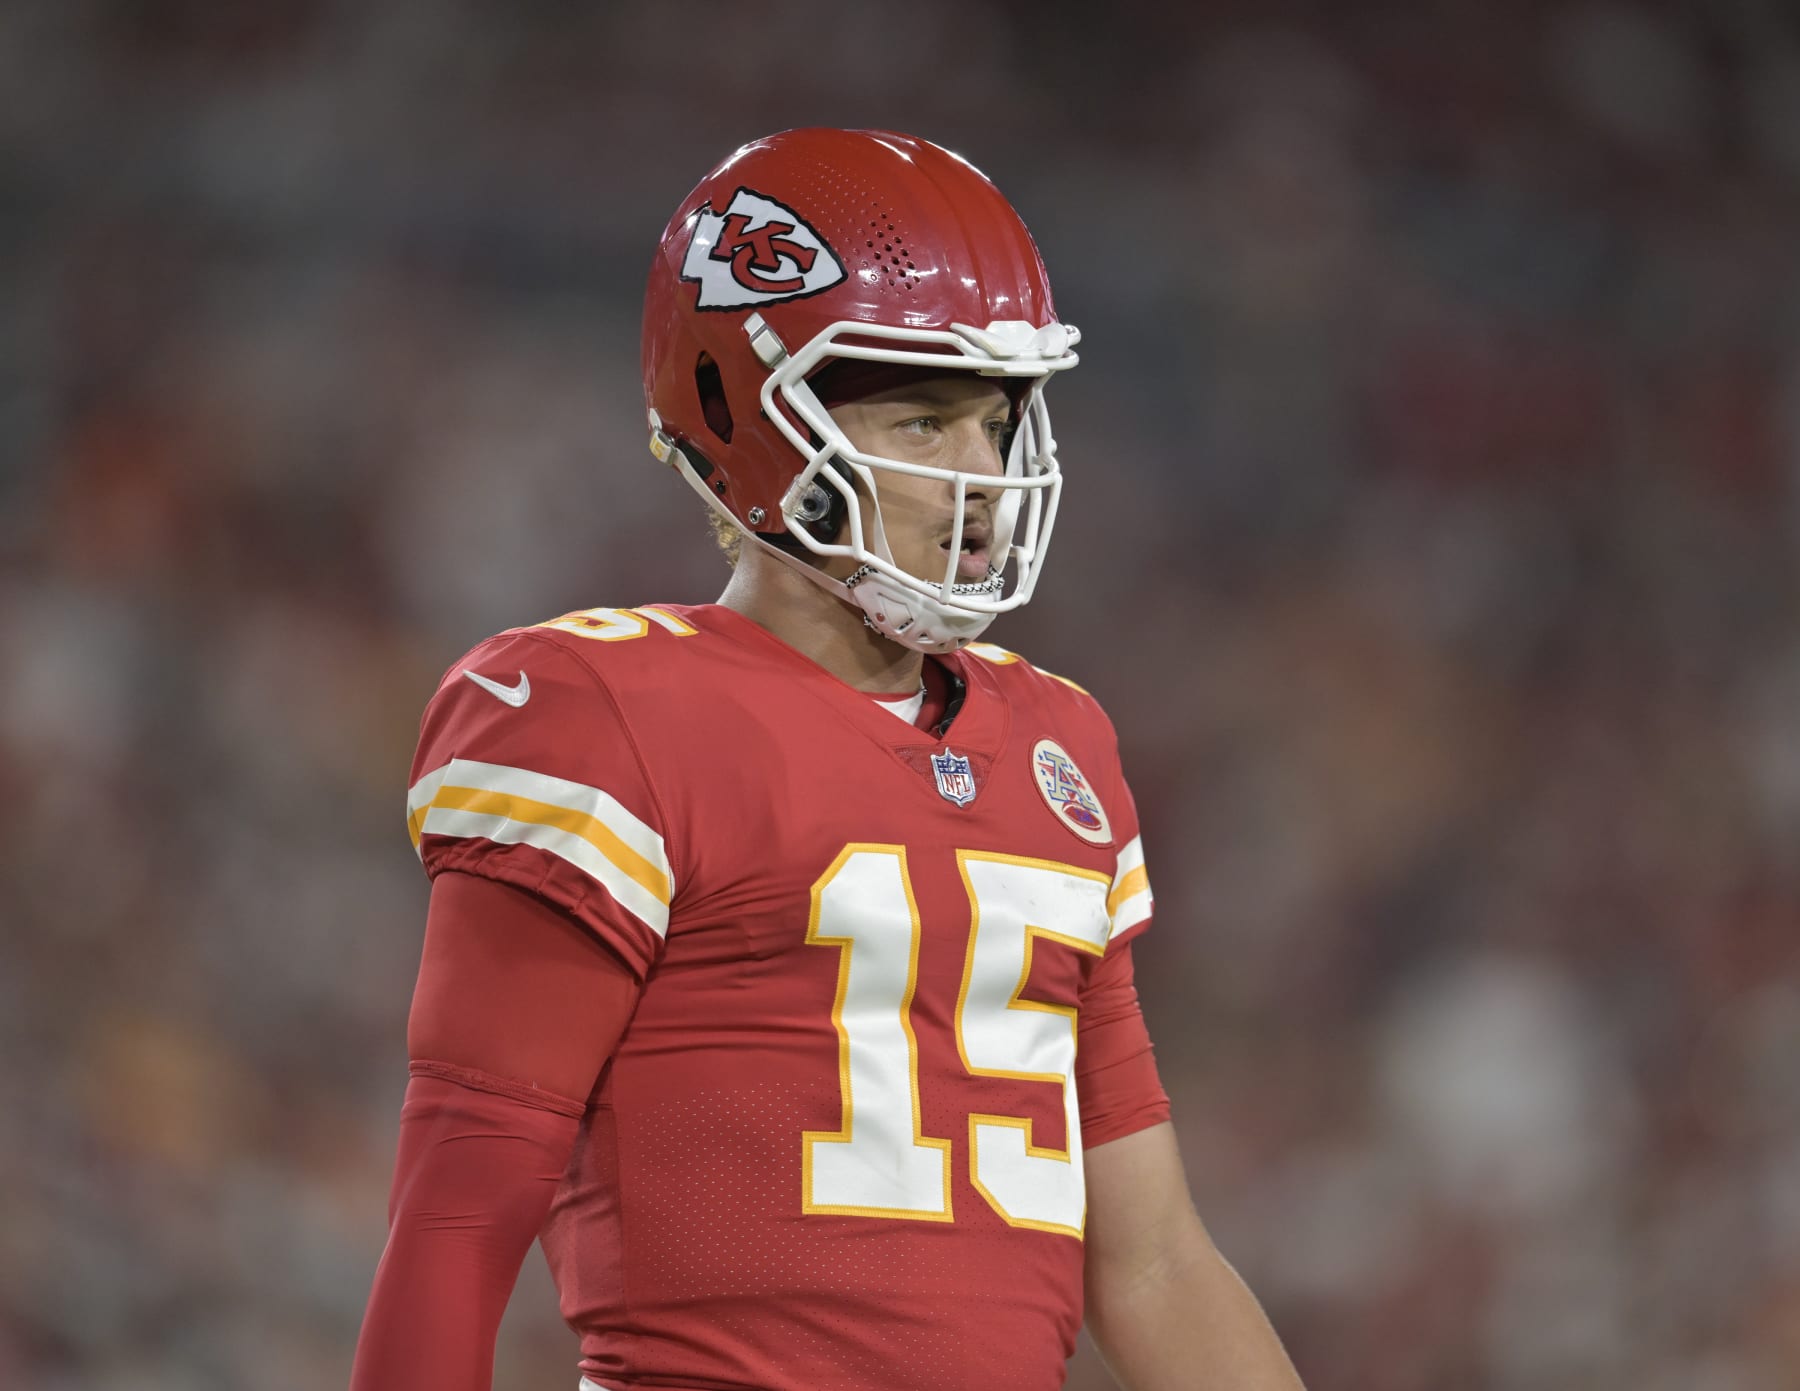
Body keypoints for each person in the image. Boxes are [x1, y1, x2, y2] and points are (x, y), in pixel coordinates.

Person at [350, 127, 1305, 1391]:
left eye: (997, 419)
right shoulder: (603, 714)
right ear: (743, 417)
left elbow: (1152, 1261)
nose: (983, 477)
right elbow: (460, 1218)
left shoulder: (1059, 744)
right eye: (925, 416)